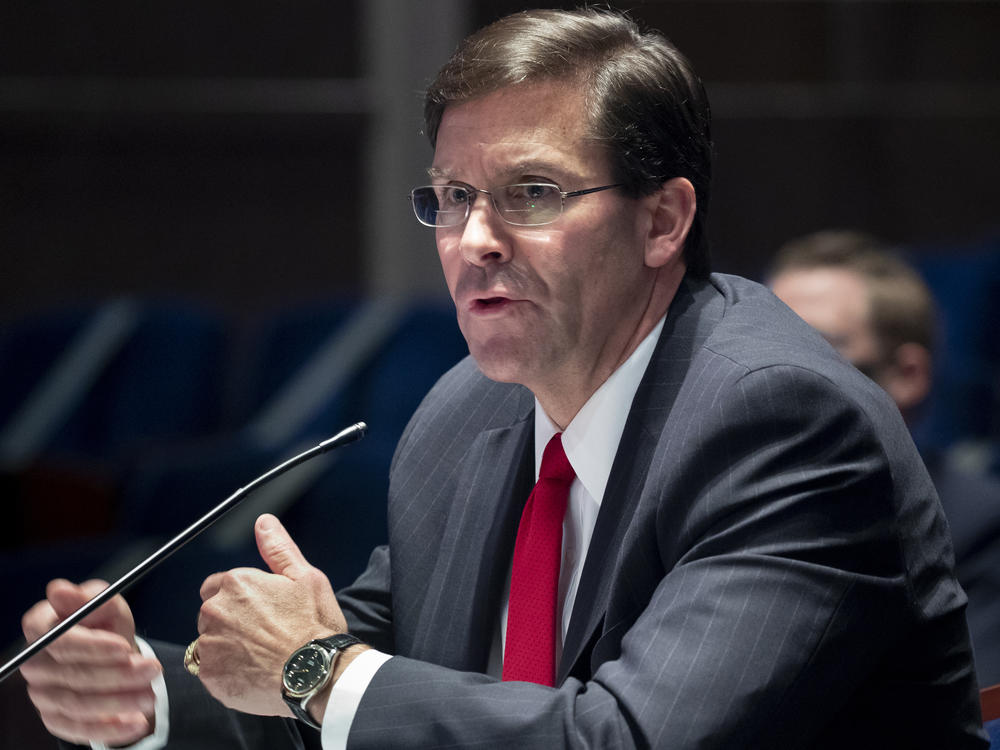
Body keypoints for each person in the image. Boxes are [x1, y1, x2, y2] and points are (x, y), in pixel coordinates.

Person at [19, 8, 988, 749]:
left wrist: (317, 668)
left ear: (662, 221)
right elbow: (381, 682)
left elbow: (630, 739)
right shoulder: (467, 415)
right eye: (450, 199)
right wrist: (144, 693)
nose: (473, 241)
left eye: (532, 193)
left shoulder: (782, 421)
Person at [769, 229, 1000, 686]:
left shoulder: (978, 524)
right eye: (760, 343)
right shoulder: (716, 502)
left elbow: (977, 709)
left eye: (815, 349)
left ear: (907, 375)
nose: (770, 376)